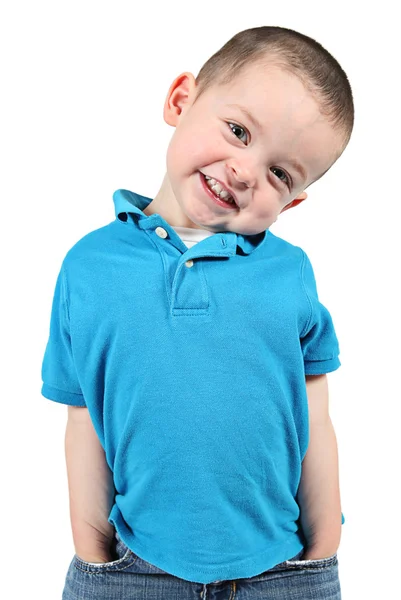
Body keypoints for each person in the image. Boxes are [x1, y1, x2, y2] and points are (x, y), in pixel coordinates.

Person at [41, 25, 353, 599]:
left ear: (293, 201)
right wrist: (92, 554)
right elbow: (82, 418)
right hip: (131, 570)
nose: (243, 171)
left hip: (282, 573)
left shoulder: (291, 273)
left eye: (280, 174)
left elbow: (315, 414)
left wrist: (323, 547)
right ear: (181, 99)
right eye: (238, 131)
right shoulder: (89, 267)